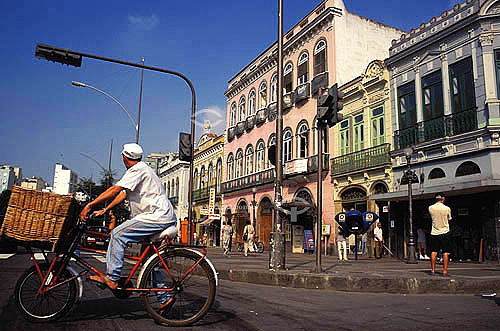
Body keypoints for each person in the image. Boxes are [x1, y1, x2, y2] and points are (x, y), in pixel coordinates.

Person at [80, 143, 177, 290]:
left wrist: (90, 205)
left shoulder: (137, 169)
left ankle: (112, 278)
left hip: (155, 216)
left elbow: (115, 190)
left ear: (124, 158)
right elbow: (123, 194)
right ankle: (164, 296)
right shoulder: (144, 169)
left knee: (118, 235)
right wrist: (106, 209)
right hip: (164, 216)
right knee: (149, 261)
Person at [428, 193, 452, 276]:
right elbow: (449, 219)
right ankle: (444, 271)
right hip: (445, 232)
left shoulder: (430, 208)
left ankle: (433, 270)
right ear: (443, 199)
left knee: (434, 251)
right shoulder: (447, 208)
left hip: (434, 232)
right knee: (445, 252)